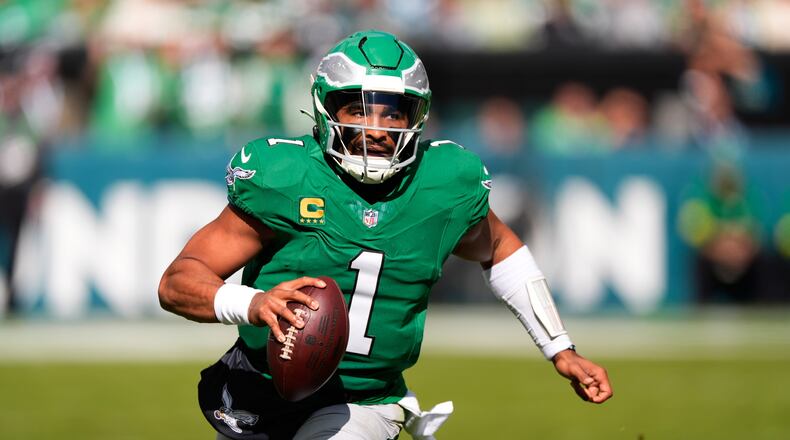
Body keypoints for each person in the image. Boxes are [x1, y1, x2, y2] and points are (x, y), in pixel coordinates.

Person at [158, 30, 612, 440]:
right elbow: (178, 283)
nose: (376, 129)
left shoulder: (444, 183)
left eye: (394, 113)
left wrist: (559, 348)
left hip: (363, 402)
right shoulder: (284, 177)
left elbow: (500, 250)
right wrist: (253, 304)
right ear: (325, 108)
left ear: (419, 117)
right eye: (357, 108)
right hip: (259, 384)